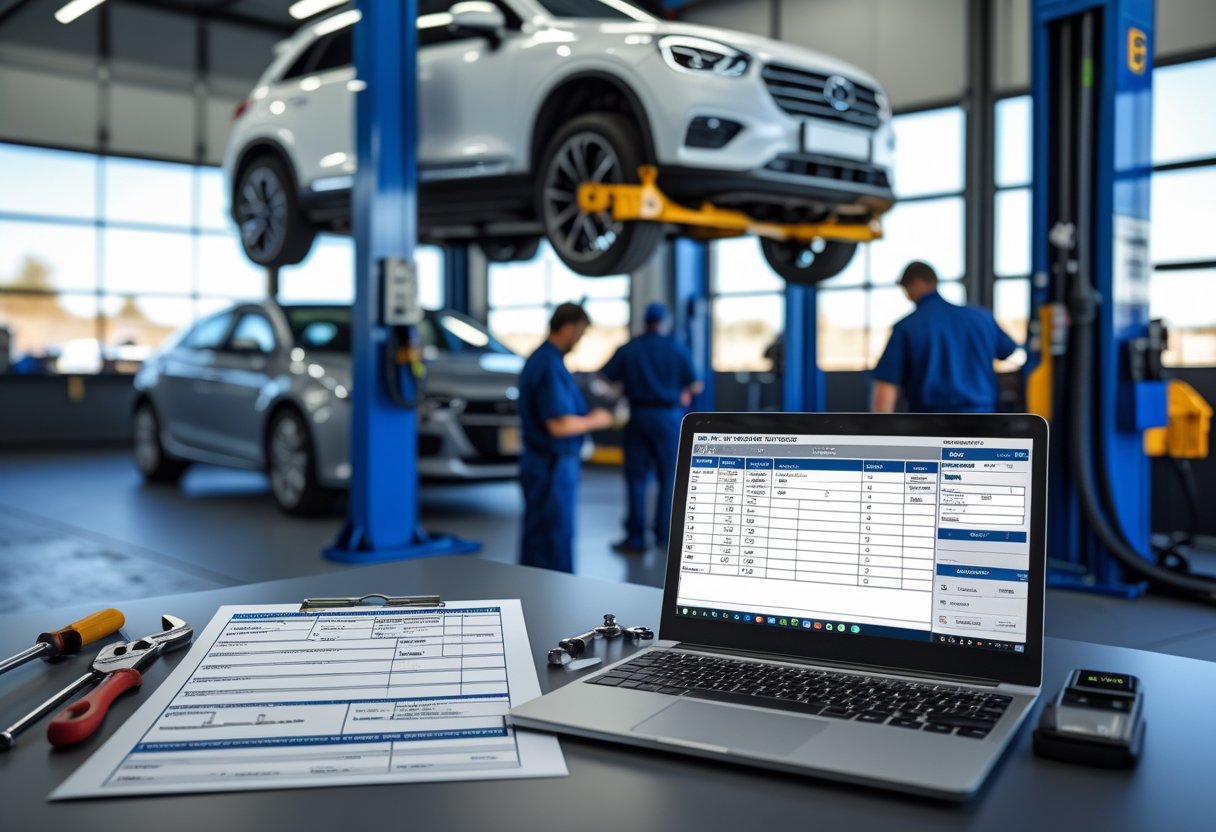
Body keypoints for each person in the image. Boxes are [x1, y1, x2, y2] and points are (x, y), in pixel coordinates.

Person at [518, 302, 614, 573]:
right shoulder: (548, 364)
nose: (580, 340)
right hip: (552, 465)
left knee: (542, 538)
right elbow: (558, 425)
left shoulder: (545, 359)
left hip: (546, 464)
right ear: (569, 328)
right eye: (580, 332)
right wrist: (597, 419)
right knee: (552, 541)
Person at [599, 302, 702, 554]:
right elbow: (696, 385)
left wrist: (618, 396)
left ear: (645, 323)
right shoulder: (677, 350)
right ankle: (664, 536)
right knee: (668, 478)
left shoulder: (630, 349)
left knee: (636, 478)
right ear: (665, 323)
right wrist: (683, 393)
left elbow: (602, 381)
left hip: (638, 417)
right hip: (668, 418)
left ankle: (635, 538)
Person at [871, 261, 1018, 413]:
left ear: (916, 283)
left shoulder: (907, 327)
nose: (907, 294)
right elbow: (1007, 350)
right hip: (983, 417)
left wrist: (879, 432)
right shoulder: (983, 319)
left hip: (931, 423)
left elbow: (887, 385)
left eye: (906, 288)